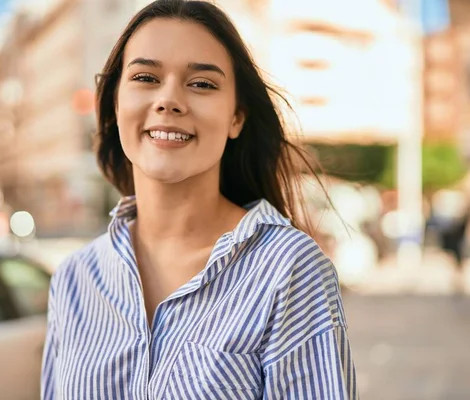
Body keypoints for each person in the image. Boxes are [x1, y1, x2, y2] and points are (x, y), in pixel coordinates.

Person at [41, 1, 358, 399]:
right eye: (145, 77)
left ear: (236, 117)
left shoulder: (289, 270)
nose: (169, 100)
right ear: (116, 104)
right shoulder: (74, 279)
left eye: (202, 83)